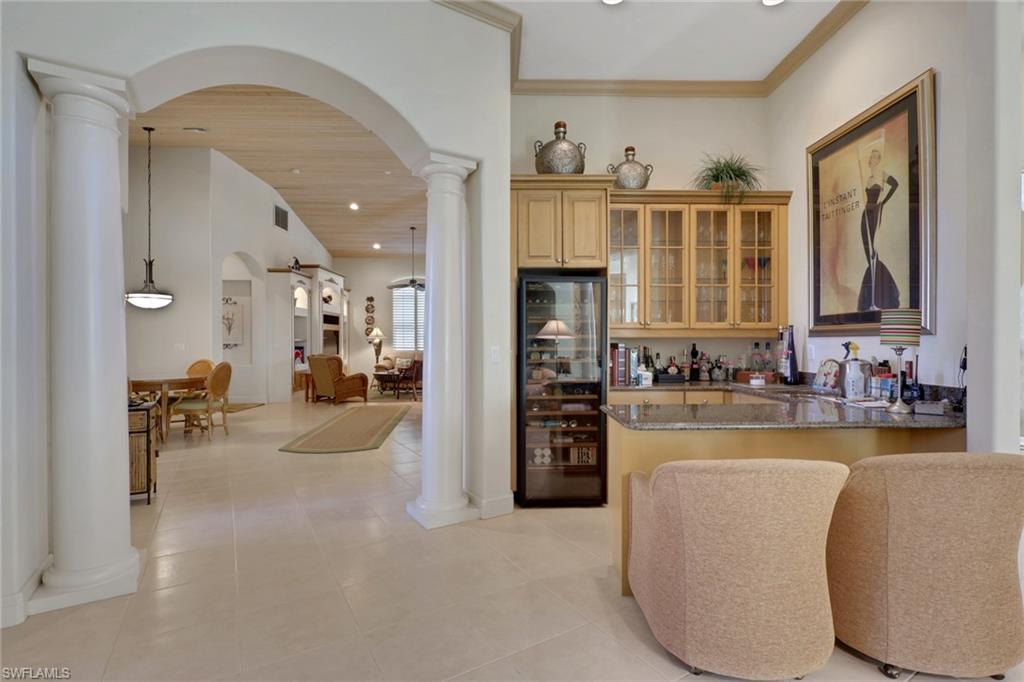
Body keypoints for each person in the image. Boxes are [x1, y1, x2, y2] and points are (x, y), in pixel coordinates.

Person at [858, 148, 900, 311]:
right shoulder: (868, 178)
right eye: (872, 157)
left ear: (879, 160)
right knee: (869, 254)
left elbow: (895, 184)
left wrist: (883, 202)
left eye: (876, 158)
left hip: (875, 213)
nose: (873, 160)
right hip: (865, 215)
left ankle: (879, 297)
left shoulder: (882, 175)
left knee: (874, 252)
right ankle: (872, 299)